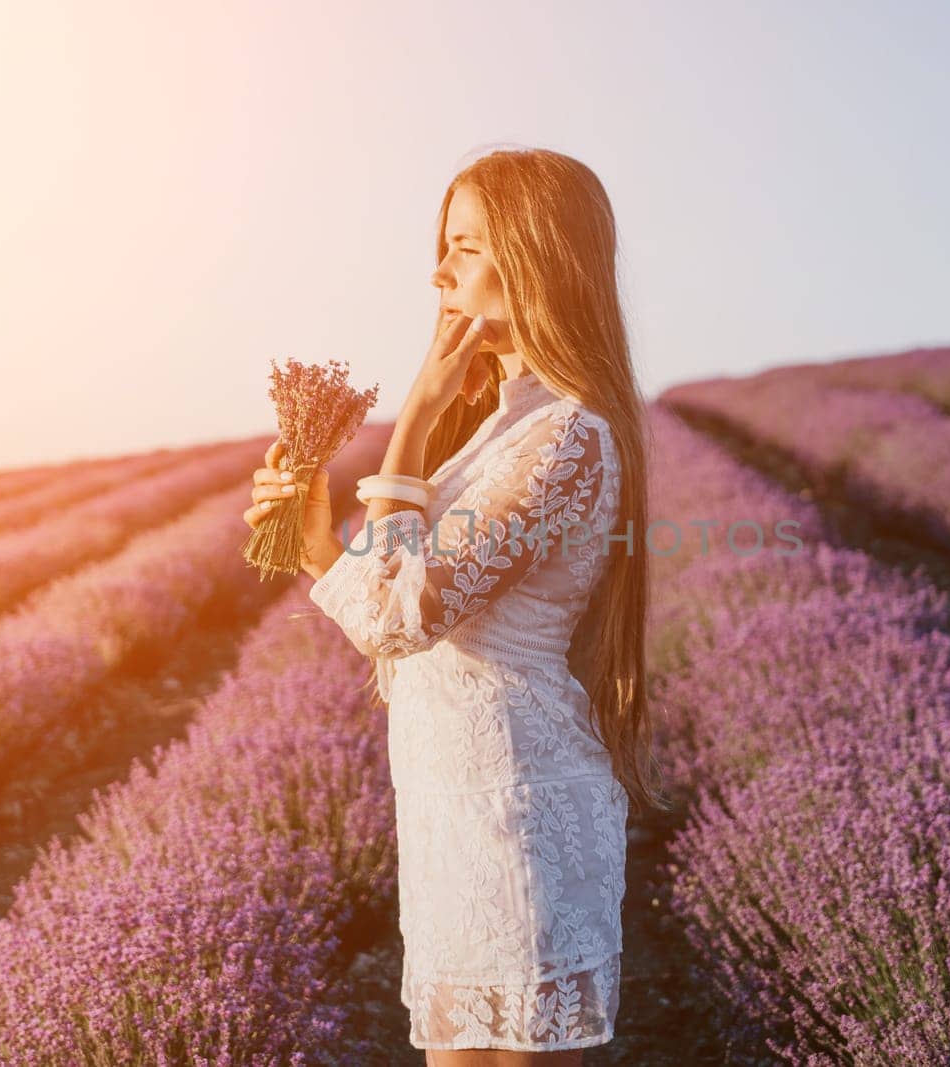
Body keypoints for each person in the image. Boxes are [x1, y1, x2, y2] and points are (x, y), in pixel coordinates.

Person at [244, 146, 670, 1066]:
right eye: (445, 245)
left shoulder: (568, 437)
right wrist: (316, 541)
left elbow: (405, 618)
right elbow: (402, 635)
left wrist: (415, 417)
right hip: (454, 802)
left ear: (536, 254)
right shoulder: (506, 429)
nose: (439, 271)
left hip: (517, 805)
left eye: (466, 246)